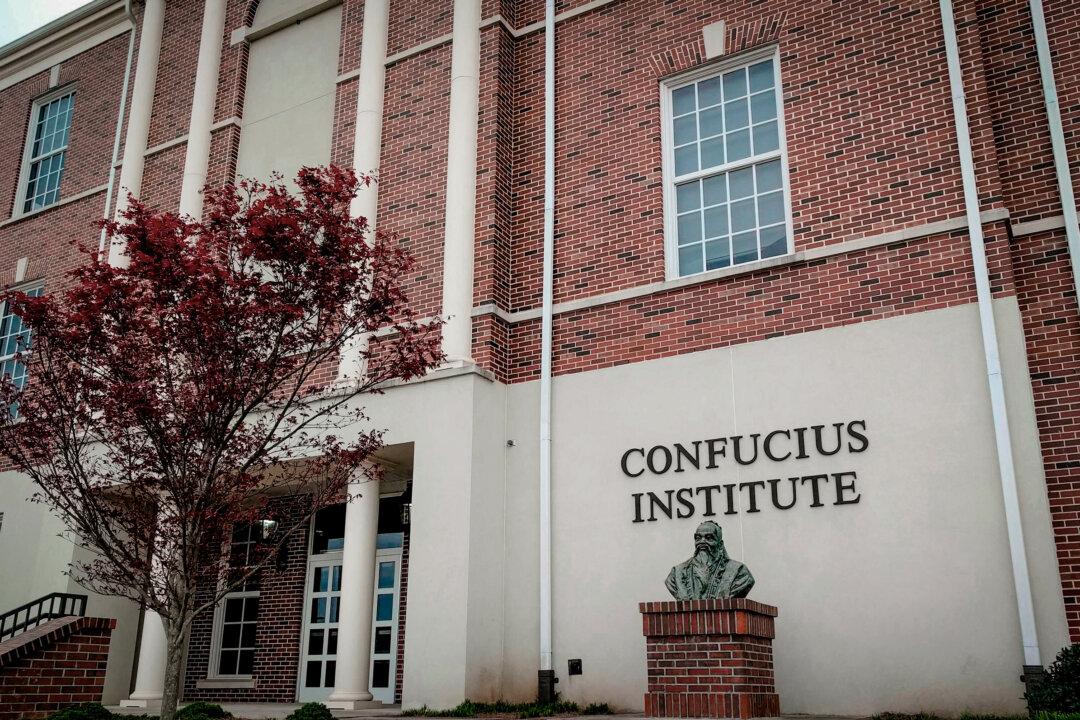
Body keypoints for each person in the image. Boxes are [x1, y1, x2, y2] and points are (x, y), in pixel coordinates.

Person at [665, 520, 755, 599]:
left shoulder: (739, 572)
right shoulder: (676, 573)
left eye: (709, 538)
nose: (702, 542)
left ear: (720, 545)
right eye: (698, 538)